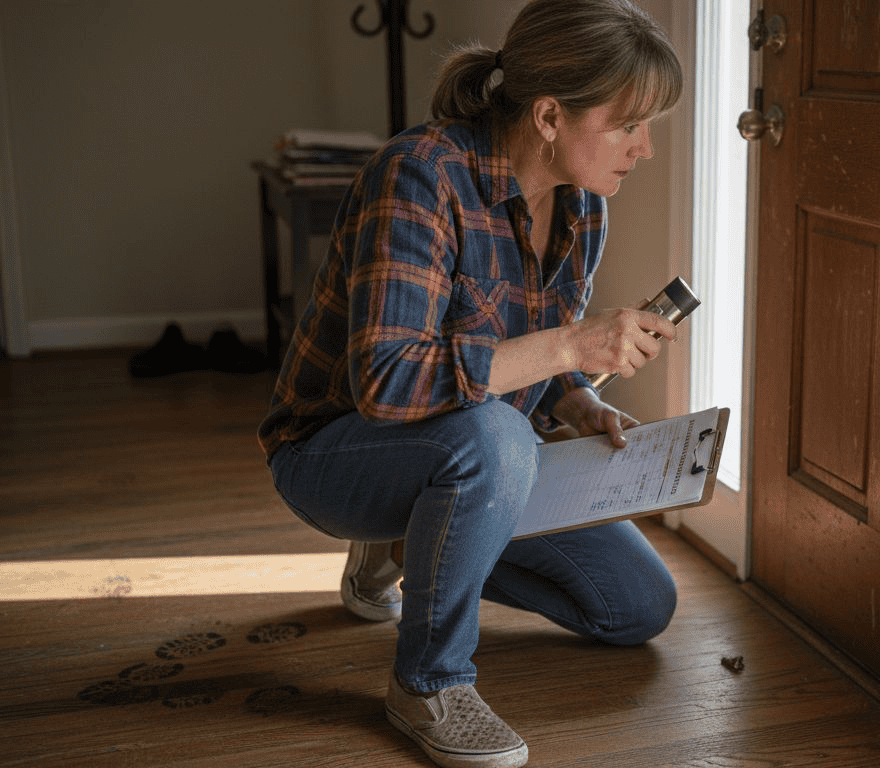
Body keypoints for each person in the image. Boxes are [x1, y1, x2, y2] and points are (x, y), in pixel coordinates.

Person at [257, 2, 683, 765]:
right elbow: (387, 382)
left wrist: (576, 397)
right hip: (333, 449)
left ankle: (404, 540)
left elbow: (534, 359)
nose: (644, 150)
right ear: (550, 114)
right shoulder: (419, 175)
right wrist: (571, 344)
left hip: (475, 448)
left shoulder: (584, 206)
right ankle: (430, 680)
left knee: (637, 606)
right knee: (495, 433)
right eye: (629, 125)